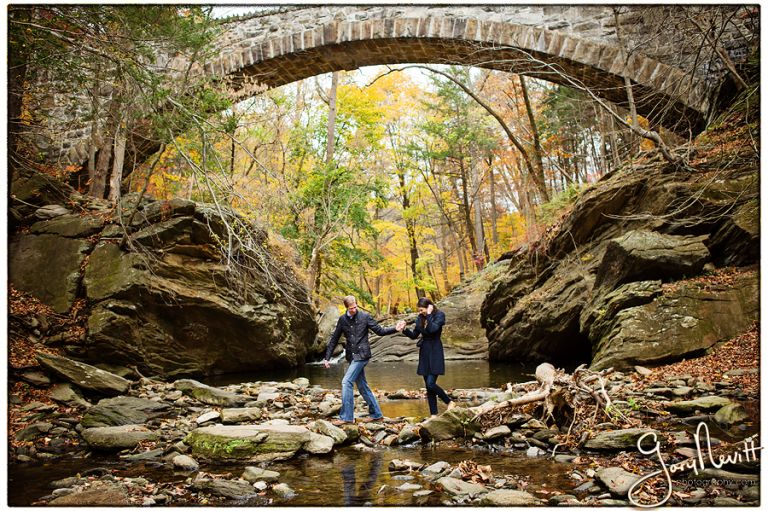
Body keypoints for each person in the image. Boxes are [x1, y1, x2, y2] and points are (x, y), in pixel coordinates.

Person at [323, 295, 398, 425]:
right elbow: (334, 339)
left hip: (362, 355)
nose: (354, 309)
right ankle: (376, 414)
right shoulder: (342, 320)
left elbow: (380, 331)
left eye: (356, 306)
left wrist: (395, 328)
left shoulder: (365, 316)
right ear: (347, 307)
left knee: (346, 382)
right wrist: (327, 358)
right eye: (351, 308)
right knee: (362, 386)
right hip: (351, 356)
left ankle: (347, 417)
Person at [396, 297, 455, 417]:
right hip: (424, 351)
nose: (420, 312)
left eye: (422, 310)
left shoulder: (439, 315)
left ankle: (449, 402)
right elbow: (414, 335)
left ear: (429, 307)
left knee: (431, 383)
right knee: (428, 387)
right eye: (419, 310)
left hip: (435, 350)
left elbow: (433, 329)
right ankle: (433, 414)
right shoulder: (420, 317)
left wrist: (428, 314)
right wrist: (404, 329)